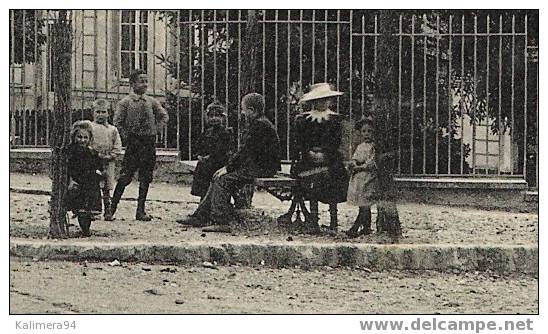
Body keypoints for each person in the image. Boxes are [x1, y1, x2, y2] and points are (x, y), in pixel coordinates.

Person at [178, 93, 281, 233]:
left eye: (244, 109)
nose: (242, 113)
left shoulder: (259, 125)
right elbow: (246, 152)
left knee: (223, 180)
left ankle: (221, 221)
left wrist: (228, 168)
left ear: (252, 110)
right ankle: (201, 216)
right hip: (259, 166)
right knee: (218, 177)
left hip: (262, 168)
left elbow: (245, 151)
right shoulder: (260, 123)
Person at [109, 69, 169, 221]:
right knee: (125, 176)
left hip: (148, 142)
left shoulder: (151, 101)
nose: (145, 84)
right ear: (132, 84)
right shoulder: (125, 103)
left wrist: (155, 130)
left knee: (145, 177)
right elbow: (117, 122)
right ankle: (111, 209)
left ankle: (140, 211)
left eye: (146, 81)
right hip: (134, 143)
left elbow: (164, 116)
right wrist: (126, 136)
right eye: (141, 81)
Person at [292, 83, 349, 233]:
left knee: (333, 181)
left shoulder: (335, 120)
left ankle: (333, 221)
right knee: (311, 185)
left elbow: (336, 142)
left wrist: (325, 154)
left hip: (330, 159)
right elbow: (300, 142)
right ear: (313, 102)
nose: (323, 103)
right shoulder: (303, 120)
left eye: (326, 100)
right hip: (308, 159)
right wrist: (309, 153)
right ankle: (313, 220)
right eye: (319, 100)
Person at [65, 120, 103, 237]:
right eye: (79, 137)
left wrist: (98, 176)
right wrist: (70, 180)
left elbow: (99, 167)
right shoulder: (70, 152)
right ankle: (83, 228)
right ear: (74, 137)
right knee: (80, 207)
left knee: (88, 208)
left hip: (89, 184)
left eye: (85, 137)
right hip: (77, 182)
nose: (82, 140)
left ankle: (86, 229)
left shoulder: (92, 153)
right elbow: (68, 168)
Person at [190, 102, 233, 200]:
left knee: (209, 169)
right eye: (211, 116)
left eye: (217, 116)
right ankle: (203, 198)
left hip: (219, 162)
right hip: (207, 162)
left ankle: (214, 200)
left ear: (223, 118)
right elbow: (199, 145)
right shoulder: (207, 132)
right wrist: (199, 155)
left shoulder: (225, 133)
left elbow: (223, 150)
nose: (214, 118)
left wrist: (210, 157)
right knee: (202, 169)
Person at [345, 117, 379, 238]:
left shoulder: (374, 147)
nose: (366, 134)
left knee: (365, 203)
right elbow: (355, 157)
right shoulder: (360, 146)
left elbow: (372, 162)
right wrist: (353, 163)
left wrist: (361, 167)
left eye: (369, 131)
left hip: (368, 177)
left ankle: (356, 226)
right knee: (362, 203)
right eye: (364, 131)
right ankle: (366, 227)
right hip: (359, 178)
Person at [90, 99, 122, 221]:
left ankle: (108, 212)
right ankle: (92, 210)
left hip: (108, 162)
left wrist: (111, 155)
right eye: (97, 112)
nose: (100, 114)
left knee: (107, 187)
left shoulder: (112, 130)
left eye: (103, 112)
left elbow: (117, 145)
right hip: (93, 161)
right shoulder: (90, 127)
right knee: (93, 185)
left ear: (108, 113)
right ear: (93, 113)